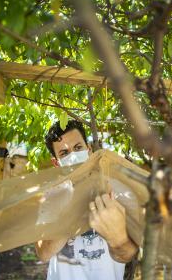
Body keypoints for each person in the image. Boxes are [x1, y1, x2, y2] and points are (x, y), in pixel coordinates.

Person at [35, 120, 138, 280]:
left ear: (89, 150)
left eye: (78, 148)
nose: (73, 156)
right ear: (56, 163)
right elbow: (43, 253)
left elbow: (128, 253)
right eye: (64, 153)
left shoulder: (115, 188)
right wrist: (75, 203)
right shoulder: (52, 196)